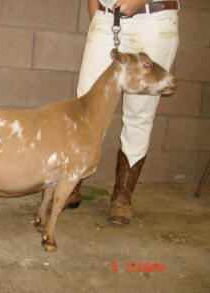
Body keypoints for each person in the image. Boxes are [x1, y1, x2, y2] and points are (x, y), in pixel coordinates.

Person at [66, 0, 180, 225]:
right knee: (87, 107)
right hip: (107, 18)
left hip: (153, 19)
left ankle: (122, 196)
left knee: (139, 112)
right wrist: (97, 13)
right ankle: (71, 182)